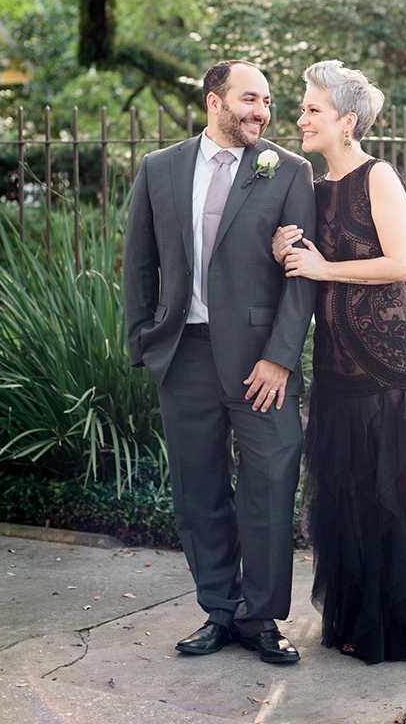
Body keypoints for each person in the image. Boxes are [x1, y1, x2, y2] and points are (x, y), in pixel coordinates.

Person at [272, 59, 406, 665]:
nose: (301, 118)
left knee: (395, 493)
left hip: (392, 362)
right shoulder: (313, 189)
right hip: (338, 364)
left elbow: (401, 264)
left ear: (348, 121)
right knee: (348, 494)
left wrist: (323, 268)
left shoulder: (377, 176)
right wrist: (283, 245)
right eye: (304, 107)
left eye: (312, 108)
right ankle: (362, 619)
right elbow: (299, 257)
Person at [123, 60, 316, 665]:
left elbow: (302, 277)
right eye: (249, 99)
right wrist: (146, 344)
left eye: (266, 101)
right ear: (214, 102)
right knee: (198, 490)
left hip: (262, 364)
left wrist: (281, 359)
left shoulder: (289, 171)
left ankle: (261, 620)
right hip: (186, 357)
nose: (261, 111)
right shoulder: (160, 169)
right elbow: (138, 263)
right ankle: (218, 610)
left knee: (269, 487)